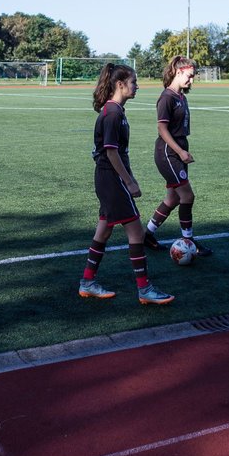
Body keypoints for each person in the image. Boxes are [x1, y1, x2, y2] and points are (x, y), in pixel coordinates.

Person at [78, 63, 174, 305]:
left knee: (105, 228)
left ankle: (87, 282)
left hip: (109, 178)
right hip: (111, 178)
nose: (137, 86)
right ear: (120, 85)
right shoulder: (112, 113)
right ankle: (145, 289)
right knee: (136, 232)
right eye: (133, 82)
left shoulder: (116, 111)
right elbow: (111, 153)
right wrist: (129, 182)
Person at [143, 55, 213, 257]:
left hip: (178, 150)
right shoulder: (167, 97)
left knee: (173, 198)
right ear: (178, 71)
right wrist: (180, 151)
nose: (192, 81)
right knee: (187, 196)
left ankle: (147, 234)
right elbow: (162, 129)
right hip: (168, 153)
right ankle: (188, 240)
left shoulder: (181, 96)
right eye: (189, 76)